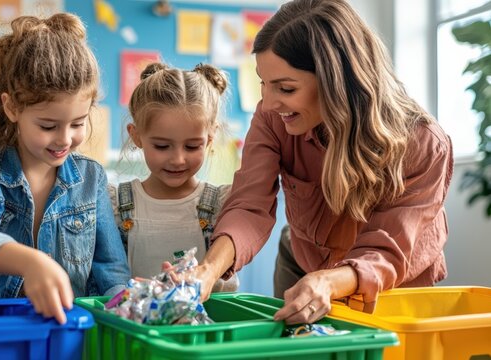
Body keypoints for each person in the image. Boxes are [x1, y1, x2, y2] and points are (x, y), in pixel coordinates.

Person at [193, 0, 454, 324]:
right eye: (263, 83)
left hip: (393, 288)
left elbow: (385, 251)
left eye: (285, 88)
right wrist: (206, 272)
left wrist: (328, 282)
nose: (269, 102)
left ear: (337, 83)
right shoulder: (273, 117)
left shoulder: (423, 144)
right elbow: (249, 204)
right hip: (304, 264)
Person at [0, 13, 130, 324]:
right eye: (48, 125)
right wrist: (30, 262)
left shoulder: (91, 179)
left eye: (78, 123)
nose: (65, 139)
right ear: (12, 108)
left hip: (61, 331)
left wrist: (127, 302)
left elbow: (110, 270)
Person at [110, 62, 238, 292]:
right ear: (136, 136)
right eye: (162, 146)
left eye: (191, 146)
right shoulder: (117, 205)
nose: (178, 159)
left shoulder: (223, 204)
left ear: (210, 138)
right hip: (139, 326)